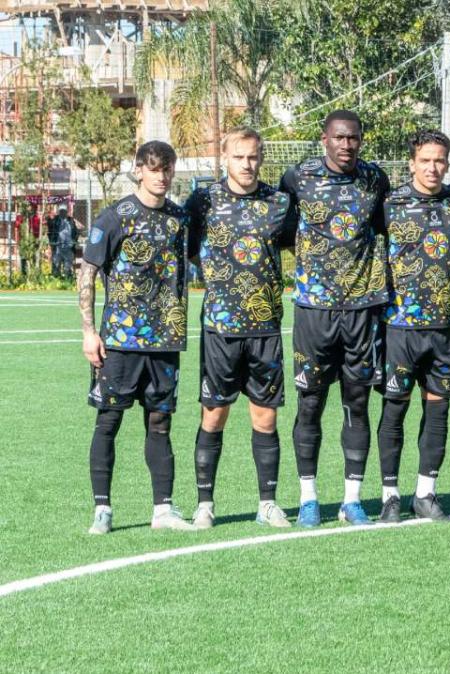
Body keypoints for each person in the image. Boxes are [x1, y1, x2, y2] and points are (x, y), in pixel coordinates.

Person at [278, 109, 390, 527]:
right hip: (314, 311)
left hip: (363, 311)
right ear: (324, 139)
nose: (347, 145)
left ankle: (352, 499)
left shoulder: (375, 178)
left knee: (356, 404)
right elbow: (282, 227)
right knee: (310, 403)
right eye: (340, 138)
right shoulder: (297, 177)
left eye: (354, 138)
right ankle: (309, 498)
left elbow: (382, 227)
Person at [78, 140, 194, 533]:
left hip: (165, 341)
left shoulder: (180, 219)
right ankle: (102, 509)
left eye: (167, 168)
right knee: (108, 421)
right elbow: (88, 274)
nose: (161, 176)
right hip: (121, 342)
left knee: (160, 423)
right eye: (154, 168)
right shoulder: (115, 217)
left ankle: (163, 509)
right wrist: (89, 332)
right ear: (139, 170)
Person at [184, 127, 293, 529]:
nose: (247, 165)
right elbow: (190, 247)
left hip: (265, 328)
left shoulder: (279, 203)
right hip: (220, 328)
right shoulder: (204, 200)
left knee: (265, 419)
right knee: (213, 416)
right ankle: (205, 504)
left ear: (261, 159)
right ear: (224, 158)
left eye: (253, 157)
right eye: (239, 157)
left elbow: (291, 244)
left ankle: (268, 503)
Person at [375, 129, 450, 523]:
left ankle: (426, 493)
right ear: (412, 163)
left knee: (438, 410)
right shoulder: (389, 203)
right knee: (394, 410)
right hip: (398, 327)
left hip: (443, 329)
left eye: (439, 160)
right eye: (425, 160)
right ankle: (389, 496)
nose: (433, 167)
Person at [52, 208, 77, 278]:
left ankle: (68, 277)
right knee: (57, 263)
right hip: (58, 246)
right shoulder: (56, 221)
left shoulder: (71, 221)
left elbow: (75, 232)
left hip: (68, 246)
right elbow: (51, 231)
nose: (62, 213)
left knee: (68, 265)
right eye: (61, 212)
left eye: (64, 211)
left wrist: (74, 242)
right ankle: (56, 277)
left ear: (66, 212)